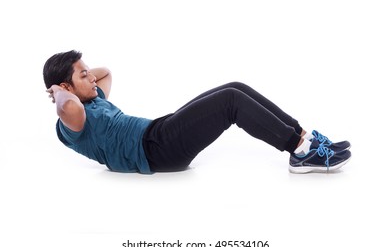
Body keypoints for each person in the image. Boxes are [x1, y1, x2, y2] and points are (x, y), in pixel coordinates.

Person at [43, 50, 351, 174]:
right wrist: (58, 90)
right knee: (231, 101)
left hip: (156, 133)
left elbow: (106, 73)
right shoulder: (72, 121)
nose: (92, 78)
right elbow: (67, 107)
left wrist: (80, 77)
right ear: (65, 89)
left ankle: (303, 138)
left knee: (234, 86)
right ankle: (300, 153)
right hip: (155, 152)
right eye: (83, 76)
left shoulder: (94, 99)